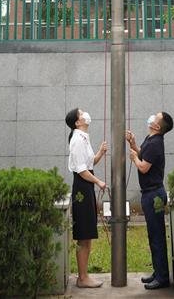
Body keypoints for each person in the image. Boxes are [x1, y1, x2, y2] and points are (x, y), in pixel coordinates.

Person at [126, 111, 174, 290]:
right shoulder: (151, 139)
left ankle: (162, 278)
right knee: (153, 235)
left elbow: (144, 167)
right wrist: (133, 144)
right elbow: (143, 155)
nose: (152, 117)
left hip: (154, 195)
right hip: (150, 193)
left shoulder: (156, 143)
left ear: (157, 126)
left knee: (157, 237)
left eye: (155, 116)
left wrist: (134, 158)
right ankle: (158, 272)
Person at [65, 107, 108, 288]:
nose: (85, 114)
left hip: (86, 185)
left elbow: (89, 164)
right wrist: (98, 181)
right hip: (82, 188)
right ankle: (82, 278)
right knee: (83, 235)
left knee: (88, 234)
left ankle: (84, 276)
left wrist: (100, 152)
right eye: (81, 113)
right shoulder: (76, 140)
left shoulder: (83, 138)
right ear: (77, 122)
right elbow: (82, 171)